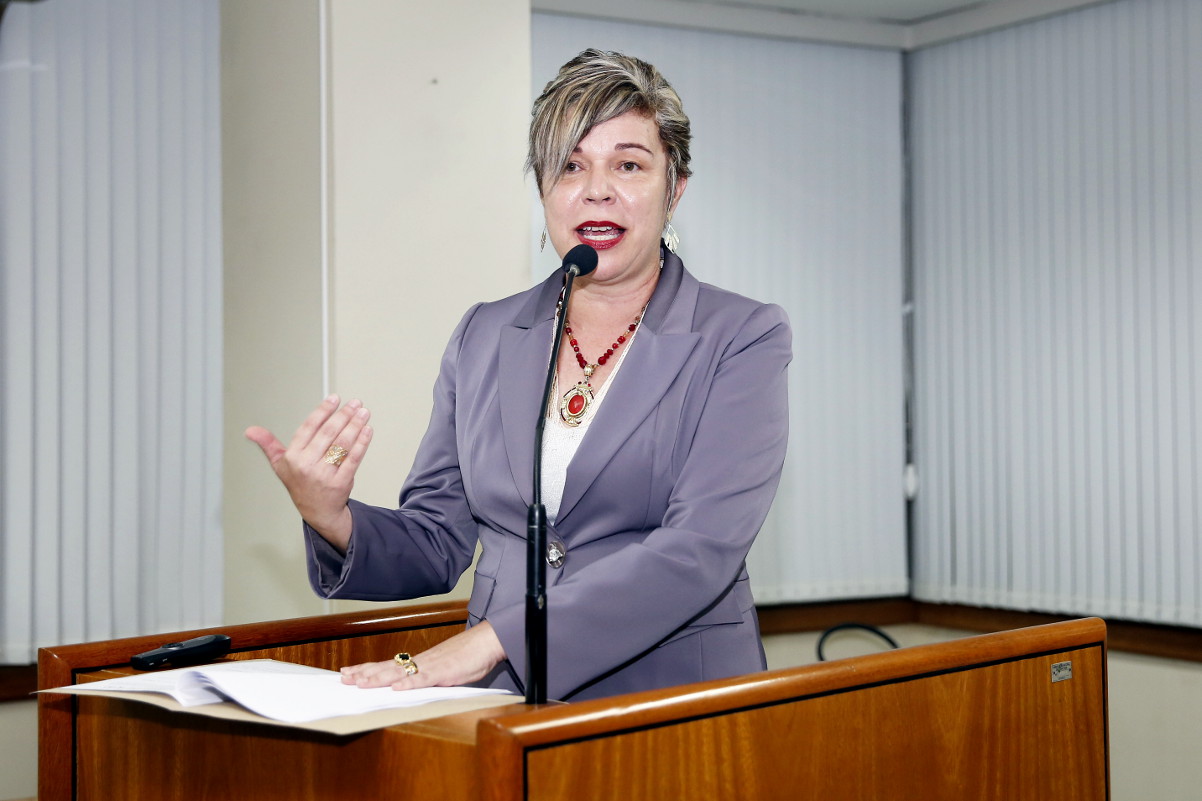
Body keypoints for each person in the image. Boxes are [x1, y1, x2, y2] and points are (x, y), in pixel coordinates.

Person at [245, 49, 791, 702]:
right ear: (543, 188)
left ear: (674, 188)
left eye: (629, 164)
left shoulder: (740, 336)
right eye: (570, 166)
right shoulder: (484, 335)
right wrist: (331, 517)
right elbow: (437, 540)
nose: (596, 189)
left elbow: (698, 551)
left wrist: (493, 638)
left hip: (671, 703)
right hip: (501, 702)